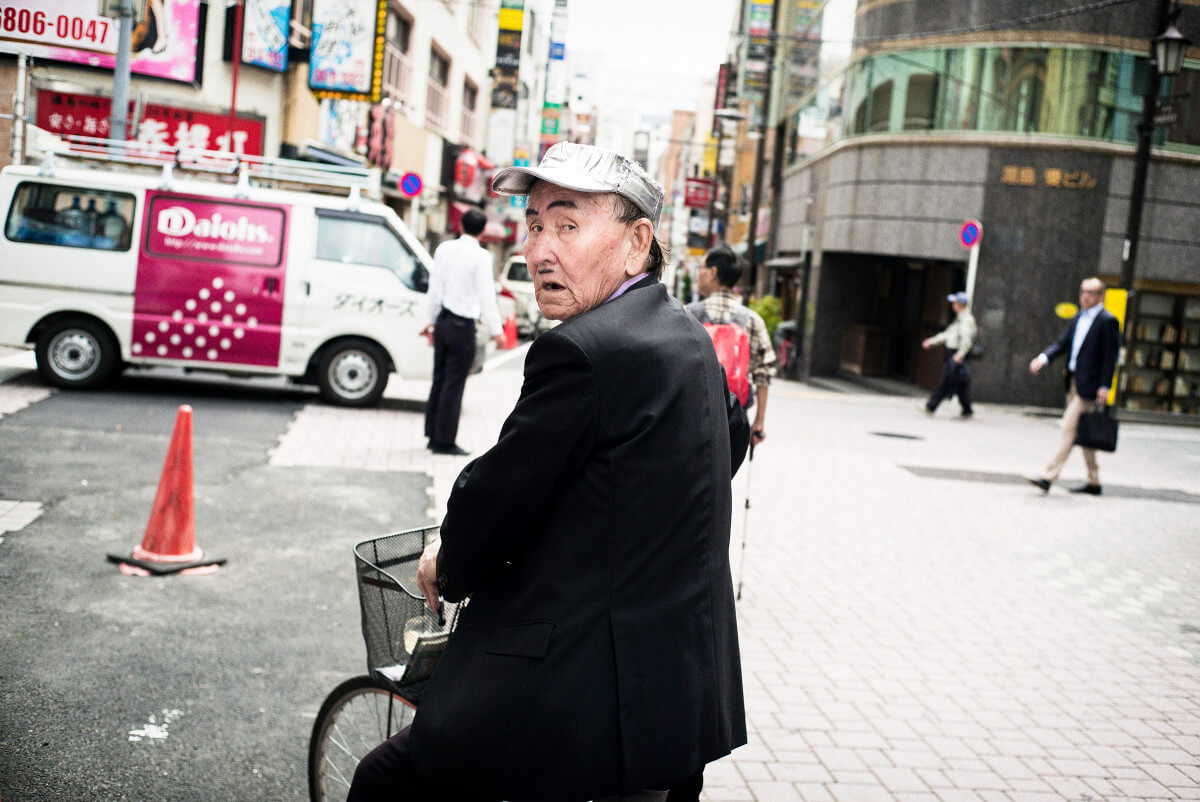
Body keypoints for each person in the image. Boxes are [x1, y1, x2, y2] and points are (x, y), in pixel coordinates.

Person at [348, 142, 750, 802]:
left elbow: (498, 499)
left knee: (383, 783)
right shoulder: (683, 336)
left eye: (567, 225)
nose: (540, 250)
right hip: (681, 698)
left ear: (635, 243)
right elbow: (714, 453)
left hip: (586, 702)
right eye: (534, 225)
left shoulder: (585, 350)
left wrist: (446, 563)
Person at [423, 208, 506, 456]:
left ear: (460, 226)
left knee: (439, 378)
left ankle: (432, 434)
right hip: (462, 327)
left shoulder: (443, 250)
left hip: (444, 321)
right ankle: (444, 442)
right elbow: (486, 295)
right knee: (454, 383)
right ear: (482, 231)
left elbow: (434, 288)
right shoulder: (481, 257)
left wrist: (432, 322)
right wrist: (497, 330)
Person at [1027, 277, 1120, 495]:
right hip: (1072, 382)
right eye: (1083, 291)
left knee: (1068, 428)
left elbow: (1110, 357)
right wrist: (1043, 358)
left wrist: (1105, 386)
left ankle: (1048, 477)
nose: (1085, 296)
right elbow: (1062, 343)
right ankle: (1094, 481)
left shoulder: (1108, 321)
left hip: (1089, 388)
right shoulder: (1078, 317)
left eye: (1090, 292)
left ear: (1101, 295)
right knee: (1083, 432)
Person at [691, 245, 776, 446]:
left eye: (701, 268)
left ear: (712, 273)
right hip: (734, 418)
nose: (699, 274)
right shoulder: (752, 320)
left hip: (693, 415)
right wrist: (759, 422)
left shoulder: (688, 314)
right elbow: (763, 373)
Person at [921, 291, 977, 418]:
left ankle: (931, 406)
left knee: (947, 381)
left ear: (960, 304)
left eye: (955, 302)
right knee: (962, 383)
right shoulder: (959, 319)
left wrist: (960, 355)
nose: (953, 305)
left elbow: (966, 339)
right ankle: (967, 410)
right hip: (954, 354)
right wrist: (931, 341)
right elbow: (948, 334)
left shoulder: (966, 320)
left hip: (956, 355)